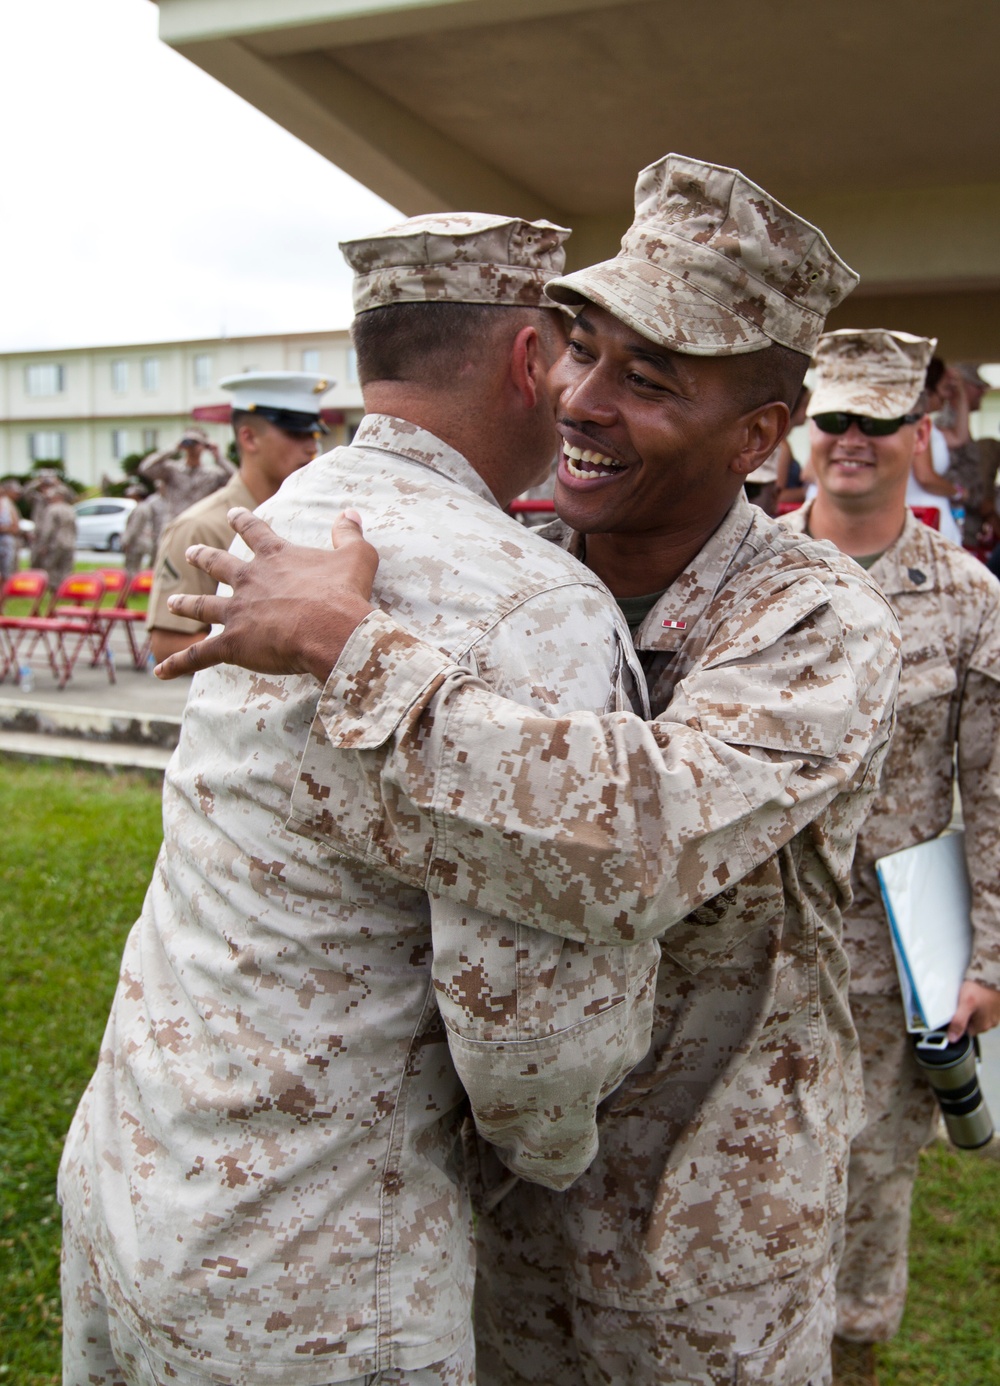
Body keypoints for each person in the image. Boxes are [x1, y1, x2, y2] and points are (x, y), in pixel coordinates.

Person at [159, 155, 901, 1385]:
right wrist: (229, 546)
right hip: (490, 1200)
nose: (580, 399)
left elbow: (644, 839)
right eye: (578, 349)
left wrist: (357, 652)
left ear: (760, 435)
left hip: (696, 1231)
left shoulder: (817, 626)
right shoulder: (528, 556)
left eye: (647, 380)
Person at [58, 213, 660, 1386]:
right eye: (577, 354)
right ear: (528, 360)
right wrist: (557, 1153)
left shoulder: (268, 528)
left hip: (136, 1174)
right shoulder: (534, 606)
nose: (586, 392)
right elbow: (535, 1026)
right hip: (318, 1259)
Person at [781, 328, 1000, 1386]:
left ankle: (850, 1364)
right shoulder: (743, 568)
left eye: (875, 421)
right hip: (749, 951)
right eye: (833, 420)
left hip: (884, 969)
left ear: (920, 436)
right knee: (738, 1189)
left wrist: (988, 960)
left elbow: (996, 789)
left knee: (869, 1194)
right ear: (804, 433)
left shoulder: (967, 599)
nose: (851, 440)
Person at [146, 373, 329, 662]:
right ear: (249, 437)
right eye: (296, 433)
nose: (310, 447)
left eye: (314, 434)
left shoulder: (313, 518)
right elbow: (168, 643)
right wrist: (285, 648)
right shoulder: (199, 528)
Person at [138, 425, 234, 524]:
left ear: (204, 446)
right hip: (175, 523)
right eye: (189, 441)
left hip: (200, 524)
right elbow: (146, 468)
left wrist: (219, 458)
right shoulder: (172, 470)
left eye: (196, 442)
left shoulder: (212, 474)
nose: (192, 446)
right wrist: (172, 449)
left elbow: (236, 480)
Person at [31, 475, 76, 594]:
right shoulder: (70, 509)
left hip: (55, 543)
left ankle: (54, 589)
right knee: (66, 567)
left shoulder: (52, 509)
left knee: (51, 567)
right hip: (69, 542)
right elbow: (75, 527)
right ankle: (66, 589)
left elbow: (48, 529)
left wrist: (43, 545)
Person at [0, 479, 21, 584]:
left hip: (6, 541)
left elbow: (15, 527)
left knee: (6, 572)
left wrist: (4, 528)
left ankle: (3, 595)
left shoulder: (7, 505)